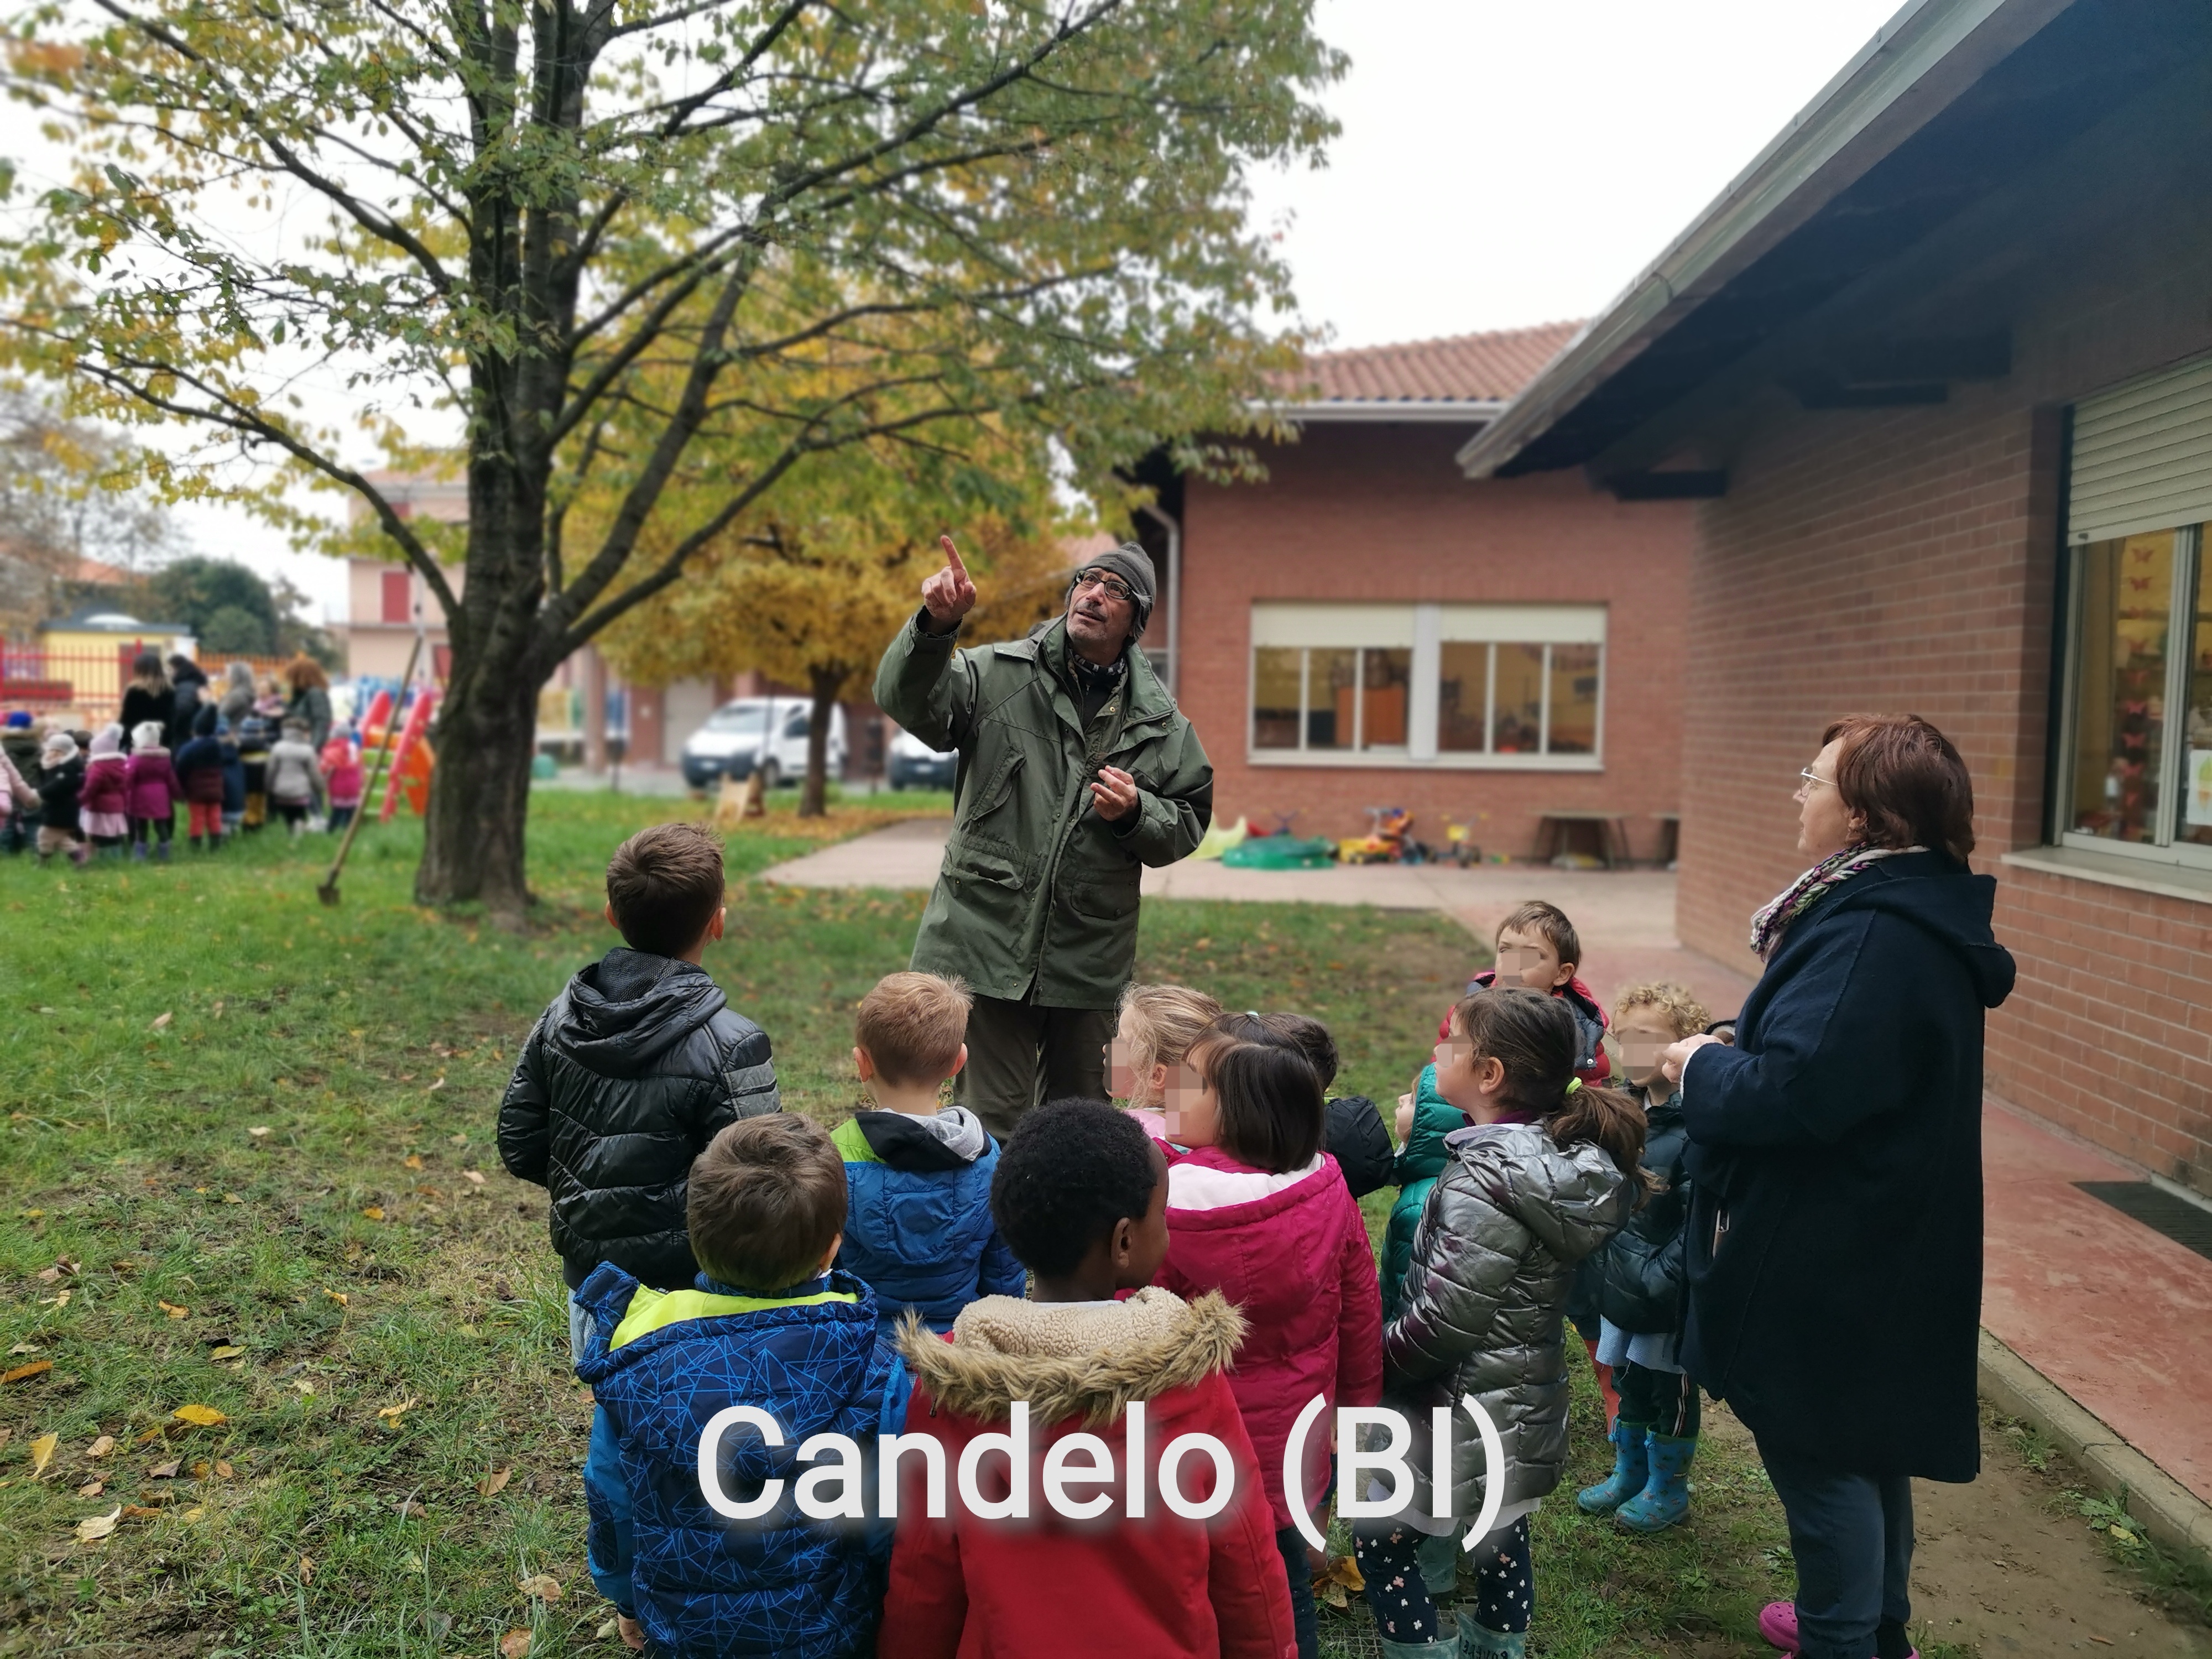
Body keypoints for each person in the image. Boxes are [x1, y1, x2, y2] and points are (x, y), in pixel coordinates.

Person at [1660, 715, 2014, 1659]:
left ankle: (1840, 1637)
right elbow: (1843, 1060)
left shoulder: (1873, 932)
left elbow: (1796, 1095)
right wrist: (1747, 1043)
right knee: (1865, 1438)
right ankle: (1871, 1627)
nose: (1798, 793)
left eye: (1812, 779)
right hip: (1884, 1227)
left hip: (1837, 1241)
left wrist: (1701, 1066)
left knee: (1819, 1449)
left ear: (1862, 815)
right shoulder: (1903, 910)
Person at [880, 1098, 1297, 1659]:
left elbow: (923, 1574)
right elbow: (1245, 1559)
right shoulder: (1190, 1381)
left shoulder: (951, 1388)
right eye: (1161, 1214)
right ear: (1124, 1241)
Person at [874, 534, 1213, 1140]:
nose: (1094, 594)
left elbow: (1188, 821)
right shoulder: (996, 674)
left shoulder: (1162, 724)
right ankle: (994, 1205)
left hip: (1088, 955)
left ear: (1135, 621)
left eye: (1116, 589)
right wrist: (934, 628)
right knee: (994, 1122)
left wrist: (1138, 813)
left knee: (1079, 1124)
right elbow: (907, 700)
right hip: (986, 933)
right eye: (1088, 580)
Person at [1358, 985, 1642, 1659]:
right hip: (1519, 1400)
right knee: (1499, 1532)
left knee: (1380, 1541)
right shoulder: (1547, 1158)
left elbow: (1443, 1322)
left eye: (1451, 1042)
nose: (1437, 1051)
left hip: (1451, 1407)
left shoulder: (1482, 1181)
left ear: (1488, 1074)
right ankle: (1497, 1645)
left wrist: (1375, 1367)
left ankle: (1421, 1651)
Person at [575, 1114, 891, 1659]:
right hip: (828, 1632)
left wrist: (625, 1596)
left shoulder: (638, 1359)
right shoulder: (875, 1366)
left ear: (696, 1240)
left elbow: (612, 1497)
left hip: (683, 1635)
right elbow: (886, 1518)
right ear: (832, 1248)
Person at [498, 822, 782, 1369]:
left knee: (615, 1408)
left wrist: (596, 1197)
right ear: (718, 922)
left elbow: (520, 1143)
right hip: (693, 1297)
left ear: (611, 913)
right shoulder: (733, 1045)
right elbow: (761, 1189)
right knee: (689, 1414)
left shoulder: (560, 1019)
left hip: (591, 1282)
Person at [1147, 1024, 1381, 1659]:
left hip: (1196, 1449)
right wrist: (1356, 1410)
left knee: (1195, 1586)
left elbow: (1139, 1323)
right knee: (1282, 1582)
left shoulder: (1169, 1213)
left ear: (1236, 1112)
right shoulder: (1327, 1185)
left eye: (1192, 1082)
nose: (1173, 1088)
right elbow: (1361, 1307)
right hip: (1299, 1439)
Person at [1575, 980, 1710, 1534]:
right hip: (1622, 1277)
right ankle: (1629, 1473)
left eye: (1649, 1037)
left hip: (1667, 1288)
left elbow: (1700, 1215)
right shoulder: (1620, 1108)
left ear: (1685, 1042)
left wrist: (1666, 1277)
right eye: (1625, 1037)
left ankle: (1668, 1487)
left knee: (1670, 1387)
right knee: (1629, 1377)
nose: (1633, 1050)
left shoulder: (1700, 1122)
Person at [832, 970, 1024, 1339]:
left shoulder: (835, 1156)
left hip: (864, 1349)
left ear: (862, 1063)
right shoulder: (987, 1158)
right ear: (958, 1062)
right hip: (958, 1350)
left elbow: (824, 1270)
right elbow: (1003, 1273)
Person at [1442, 900, 1611, 1087]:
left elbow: (1592, 1087)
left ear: (1561, 973)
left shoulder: (1577, 1030)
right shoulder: (1467, 1013)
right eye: (1506, 951)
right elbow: (1441, 1072)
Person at [1109, 981, 1224, 1139]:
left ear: (1156, 1075)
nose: (1107, 1048)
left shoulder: (1125, 1131)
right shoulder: (1213, 1131)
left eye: (1121, 1041)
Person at [123, 719, 182, 861]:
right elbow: (171, 778)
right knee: (161, 825)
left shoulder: (135, 759)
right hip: (161, 796)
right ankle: (165, 853)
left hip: (140, 796)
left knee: (141, 825)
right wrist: (178, 794)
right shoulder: (164, 759)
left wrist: (122, 792)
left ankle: (140, 854)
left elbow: (128, 778)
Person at [173, 706, 229, 853]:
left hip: (196, 792)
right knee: (215, 817)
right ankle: (215, 846)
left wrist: (181, 789)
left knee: (197, 818)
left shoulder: (190, 748)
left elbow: (181, 768)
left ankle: (195, 847)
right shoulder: (218, 746)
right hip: (216, 791)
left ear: (197, 728)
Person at [34, 732, 86, 867]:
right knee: (61, 840)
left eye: (57, 751)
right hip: (57, 808)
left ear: (65, 752)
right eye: (51, 750)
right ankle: (80, 860)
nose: (53, 754)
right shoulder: (57, 765)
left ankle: (43, 862)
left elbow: (58, 786)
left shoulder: (68, 768)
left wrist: (40, 794)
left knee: (44, 835)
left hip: (62, 809)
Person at [77, 723, 129, 857]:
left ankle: (103, 860)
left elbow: (90, 789)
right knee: (115, 836)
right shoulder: (122, 766)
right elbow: (125, 788)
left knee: (99, 835)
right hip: (117, 807)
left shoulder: (97, 769)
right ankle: (117, 858)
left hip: (99, 808)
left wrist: (79, 800)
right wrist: (126, 803)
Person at [264, 718, 324, 833]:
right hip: (300, 794)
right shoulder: (308, 750)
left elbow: (271, 771)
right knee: (299, 815)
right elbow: (314, 774)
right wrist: (320, 787)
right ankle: (297, 833)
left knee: (288, 816)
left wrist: (269, 788)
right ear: (304, 732)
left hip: (281, 793)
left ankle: (291, 830)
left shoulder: (277, 747)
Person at [117, 654, 174, 753]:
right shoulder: (170, 690)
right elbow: (172, 719)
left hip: (137, 742)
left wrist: (120, 742)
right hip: (163, 742)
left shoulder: (134, 691)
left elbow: (126, 720)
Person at [284, 655, 332, 750]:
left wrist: (312, 749)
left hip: (310, 749)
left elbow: (321, 724)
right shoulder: (300, 695)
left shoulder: (315, 694)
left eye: (292, 677)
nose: (290, 682)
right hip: (300, 747)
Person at [321, 732, 364, 833]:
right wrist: (362, 783)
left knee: (337, 811)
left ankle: (330, 830)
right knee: (351, 811)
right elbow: (361, 767)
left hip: (337, 787)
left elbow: (323, 769)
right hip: (353, 786)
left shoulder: (331, 750)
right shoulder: (355, 748)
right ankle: (350, 831)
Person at [237, 711, 273, 832]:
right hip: (263, 781)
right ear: (261, 731)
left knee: (248, 804)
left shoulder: (240, 746)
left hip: (246, 782)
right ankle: (259, 823)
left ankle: (248, 824)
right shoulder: (267, 746)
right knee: (260, 803)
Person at [165, 653, 208, 749]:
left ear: (177, 669)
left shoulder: (185, 685)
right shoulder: (194, 682)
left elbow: (183, 709)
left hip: (184, 735)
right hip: (191, 733)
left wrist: (171, 726)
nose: (168, 673)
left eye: (170, 670)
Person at [216, 716, 246, 840]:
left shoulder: (216, 757)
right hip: (238, 803)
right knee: (233, 821)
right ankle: (234, 835)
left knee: (224, 823)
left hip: (223, 803)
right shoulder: (237, 754)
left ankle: (225, 839)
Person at [217, 660, 257, 728]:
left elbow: (219, 715)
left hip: (230, 730)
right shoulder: (247, 692)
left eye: (228, 674)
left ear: (235, 676)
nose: (225, 677)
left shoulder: (236, 696)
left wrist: (207, 702)